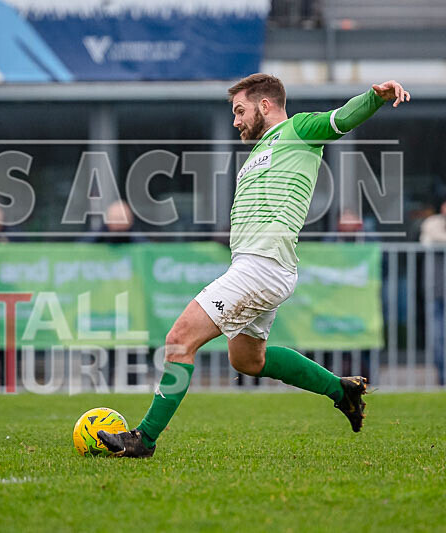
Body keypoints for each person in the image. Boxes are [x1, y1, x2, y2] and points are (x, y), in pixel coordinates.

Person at [99, 74, 410, 458]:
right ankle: (340, 390)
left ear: (265, 105)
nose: (235, 121)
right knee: (247, 360)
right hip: (262, 267)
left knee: (179, 341)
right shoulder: (262, 150)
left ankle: (143, 439)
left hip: (260, 268)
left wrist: (373, 97)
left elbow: (341, 119)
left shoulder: (297, 130)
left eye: (239, 110)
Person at [419, 200, 446, 385]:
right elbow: (428, 239)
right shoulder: (432, 222)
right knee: (437, 338)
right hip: (434, 290)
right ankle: (442, 376)